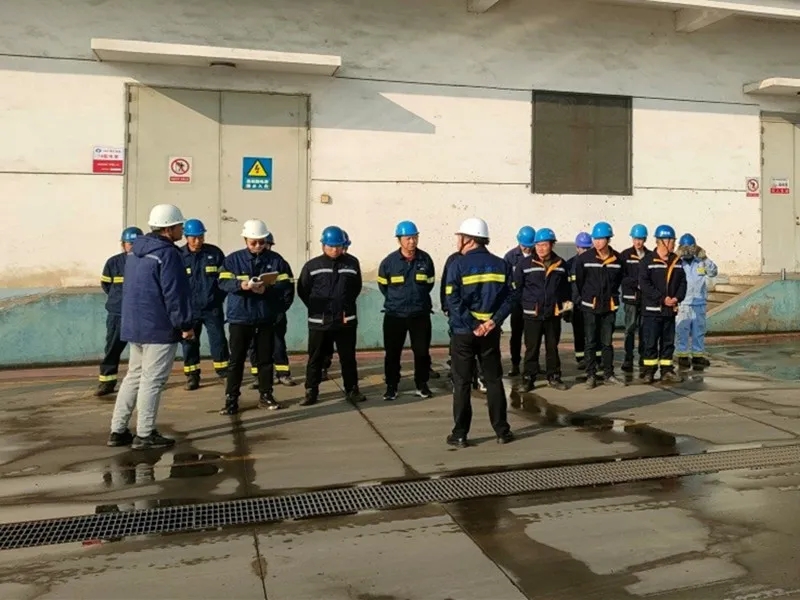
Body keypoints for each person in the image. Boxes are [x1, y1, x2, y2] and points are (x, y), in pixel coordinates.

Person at [107, 204, 194, 450]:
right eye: (179, 226)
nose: (181, 230)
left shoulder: (135, 252)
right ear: (169, 228)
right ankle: (145, 434)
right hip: (158, 327)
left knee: (133, 377)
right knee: (152, 381)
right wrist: (185, 324)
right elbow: (174, 294)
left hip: (135, 326)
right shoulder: (168, 254)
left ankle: (118, 430)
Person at [445, 217, 515, 448]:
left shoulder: (457, 264)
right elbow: (511, 297)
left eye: (460, 237)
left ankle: (460, 434)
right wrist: (493, 321)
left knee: (462, 383)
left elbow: (452, 299)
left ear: (469, 239)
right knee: (493, 380)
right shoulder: (501, 264)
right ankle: (502, 431)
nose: (458, 241)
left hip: (463, 333)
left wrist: (473, 323)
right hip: (489, 333)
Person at [217, 219, 295, 415]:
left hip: (265, 317)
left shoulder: (276, 260)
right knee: (236, 361)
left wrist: (267, 289)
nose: (258, 246)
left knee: (265, 360)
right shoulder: (233, 260)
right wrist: (241, 286)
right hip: (240, 318)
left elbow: (286, 283)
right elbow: (222, 282)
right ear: (245, 240)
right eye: (254, 242)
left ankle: (266, 395)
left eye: (261, 242)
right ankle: (231, 399)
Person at [297, 226, 366, 406]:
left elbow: (355, 288)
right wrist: (317, 308)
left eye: (338, 246)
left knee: (348, 358)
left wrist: (344, 305)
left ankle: (352, 389)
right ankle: (311, 391)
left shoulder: (352, 264)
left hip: (345, 320)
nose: (335, 250)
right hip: (320, 321)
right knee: (315, 358)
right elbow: (303, 290)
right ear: (323, 245)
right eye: (331, 246)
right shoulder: (312, 266)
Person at [378, 220, 436, 400]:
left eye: (415, 237)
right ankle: (391, 386)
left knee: (422, 352)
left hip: (420, 314)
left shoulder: (425, 260)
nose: (412, 241)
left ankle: (422, 385)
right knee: (392, 353)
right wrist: (398, 301)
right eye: (408, 238)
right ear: (399, 240)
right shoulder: (389, 262)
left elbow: (429, 283)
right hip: (395, 315)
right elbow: (383, 286)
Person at [513, 228, 571, 391]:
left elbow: (566, 290)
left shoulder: (561, 264)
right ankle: (528, 378)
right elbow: (517, 289)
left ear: (552, 245)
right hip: (533, 314)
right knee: (532, 348)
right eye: (538, 245)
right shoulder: (525, 264)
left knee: (552, 347)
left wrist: (567, 309)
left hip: (553, 314)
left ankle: (554, 377)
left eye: (544, 245)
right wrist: (525, 306)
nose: (540, 248)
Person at [574, 221, 626, 389]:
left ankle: (609, 374)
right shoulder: (584, 259)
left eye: (600, 239)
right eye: (595, 239)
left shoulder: (618, 259)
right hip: (590, 306)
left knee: (607, 343)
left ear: (608, 239)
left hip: (609, 307)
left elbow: (619, 280)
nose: (597, 242)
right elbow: (580, 282)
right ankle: (591, 375)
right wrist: (588, 297)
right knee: (590, 342)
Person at [180, 218, 229, 390]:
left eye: (200, 236)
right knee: (189, 343)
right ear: (186, 237)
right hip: (189, 310)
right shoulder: (179, 256)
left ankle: (224, 373)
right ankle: (192, 376)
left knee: (218, 341)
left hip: (212, 308)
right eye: (193, 237)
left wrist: (217, 298)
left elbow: (225, 278)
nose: (197, 241)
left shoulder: (215, 254)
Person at [96, 226, 143, 397]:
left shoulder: (146, 262)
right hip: (118, 314)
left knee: (142, 351)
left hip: (140, 313)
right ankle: (107, 382)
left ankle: (143, 382)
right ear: (123, 244)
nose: (133, 247)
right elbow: (106, 285)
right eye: (130, 243)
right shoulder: (113, 263)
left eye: (136, 243)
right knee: (112, 349)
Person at [639, 224, 687, 384]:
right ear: (662, 241)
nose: (674, 244)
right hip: (652, 311)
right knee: (650, 342)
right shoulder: (647, 261)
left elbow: (683, 283)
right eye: (672, 240)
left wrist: (677, 298)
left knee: (668, 343)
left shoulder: (677, 261)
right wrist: (661, 299)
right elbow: (645, 285)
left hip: (669, 311)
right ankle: (649, 371)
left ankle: (667, 370)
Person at [247, 231, 296, 388]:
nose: (262, 247)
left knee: (277, 342)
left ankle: (283, 374)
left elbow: (288, 286)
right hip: (253, 313)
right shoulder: (247, 262)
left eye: (266, 244)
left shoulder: (278, 262)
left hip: (275, 311)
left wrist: (282, 308)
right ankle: (258, 376)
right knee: (254, 345)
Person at [675, 233, 717, 370]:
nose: (688, 251)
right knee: (682, 330)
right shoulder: (677, 263)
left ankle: (697, 356)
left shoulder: (700, 262)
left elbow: (713, 272)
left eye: (691, 248)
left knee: (699, 331)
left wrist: (704, 257)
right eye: (685, 248)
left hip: (699, 302)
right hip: (683, 303)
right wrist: (675, 256)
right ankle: (682, 356)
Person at [503, 226, 535, 376]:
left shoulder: (538, 255)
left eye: (530, 246)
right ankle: (515, 364)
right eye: (524, 246)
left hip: (533, 303)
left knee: (532, 337)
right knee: (516, 335)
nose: (527, 249)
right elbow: (506, 279)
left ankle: (532, 365)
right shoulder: (510, 257)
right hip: (517, 303)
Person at [620, 224, 649, 373]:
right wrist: (636, 283)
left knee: (644, 330)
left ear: (645, 239)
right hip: (630, 298)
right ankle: (628, 357)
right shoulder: (625, 255)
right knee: (630, 329)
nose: (638, 242)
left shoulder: (650, 255)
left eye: (641, 239)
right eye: (636, 238)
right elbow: (621, 276)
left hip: (645, 299)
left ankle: (643, 357)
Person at [564, 232, 592, 370]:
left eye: (587, 248)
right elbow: (565, 289)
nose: (585, 251)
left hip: (591, 305)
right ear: (577, 248)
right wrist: (566, 309)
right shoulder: (569, 265)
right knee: (579, 333)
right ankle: (580, 358)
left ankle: (594, 358)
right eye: (582, 248)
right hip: (576, 306)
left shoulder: (594, 263)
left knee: (592, 334)